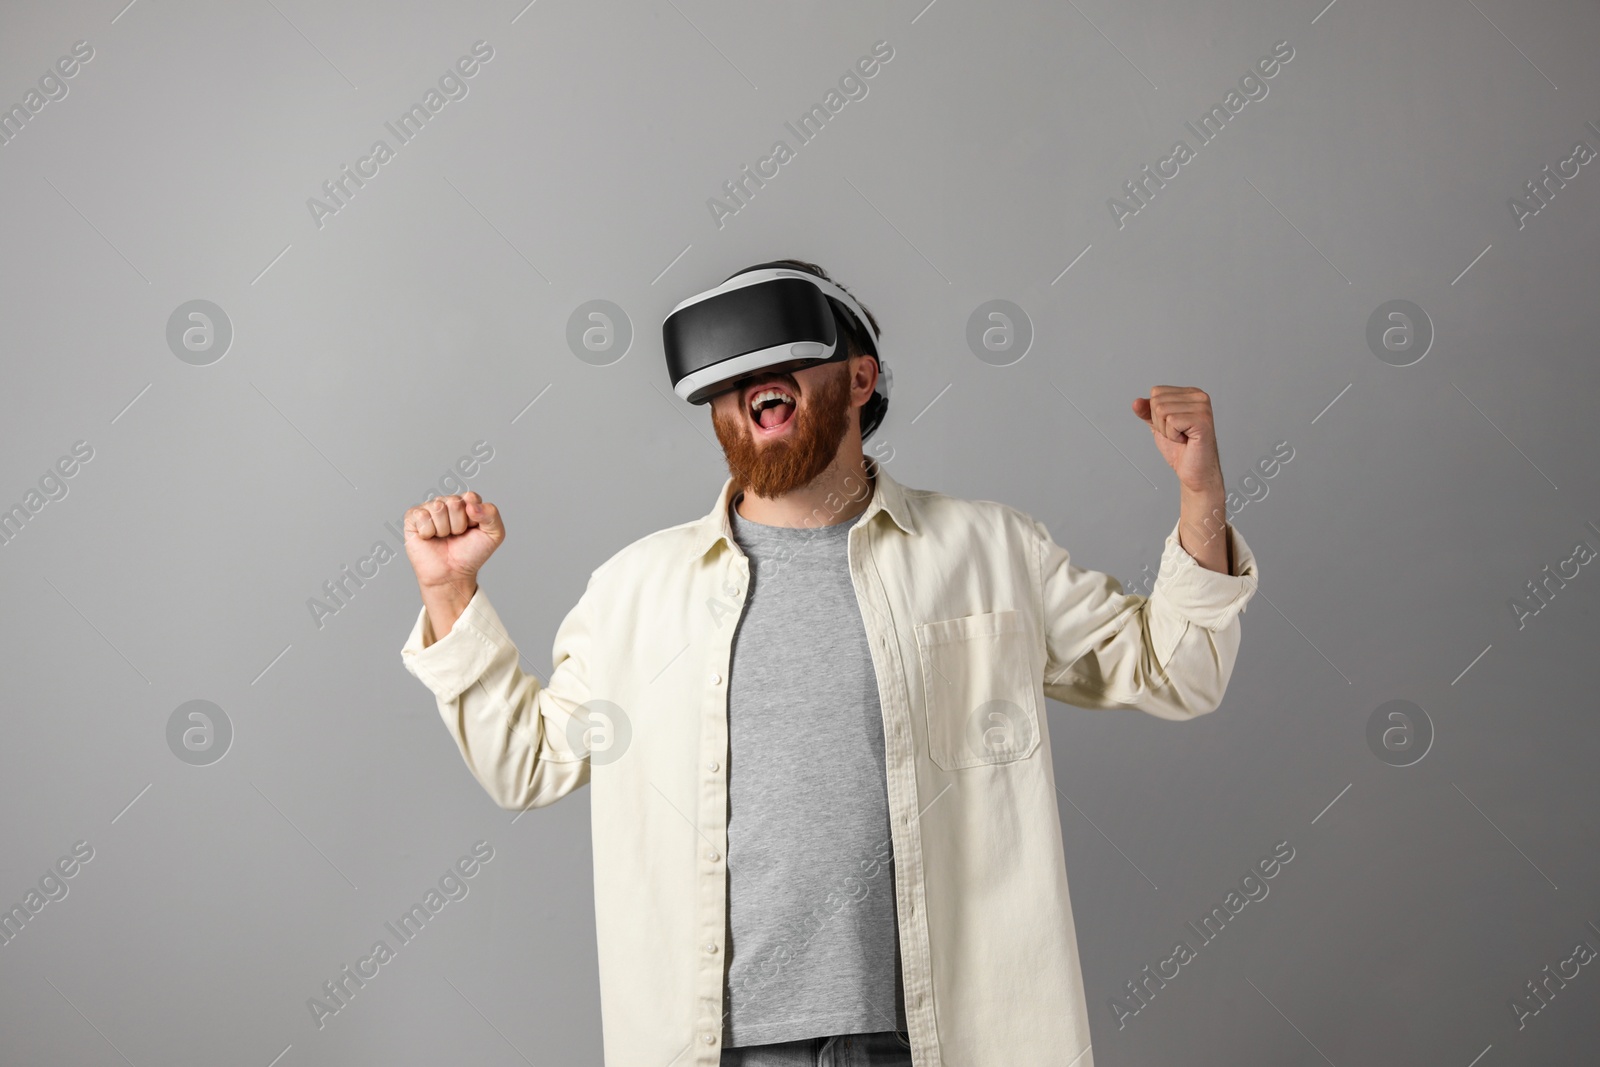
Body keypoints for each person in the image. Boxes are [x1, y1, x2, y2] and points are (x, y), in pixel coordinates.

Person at [399, 259, 1259, 1067]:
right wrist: (451, 595)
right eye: (726, 377)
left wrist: (1202, 494)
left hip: (942, 1035)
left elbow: (1176, 668)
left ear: (859, 376)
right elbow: (528, 763)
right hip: (725, 1047)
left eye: (776, 358)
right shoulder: (635, 590)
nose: (748, 383)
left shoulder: (991, 552)